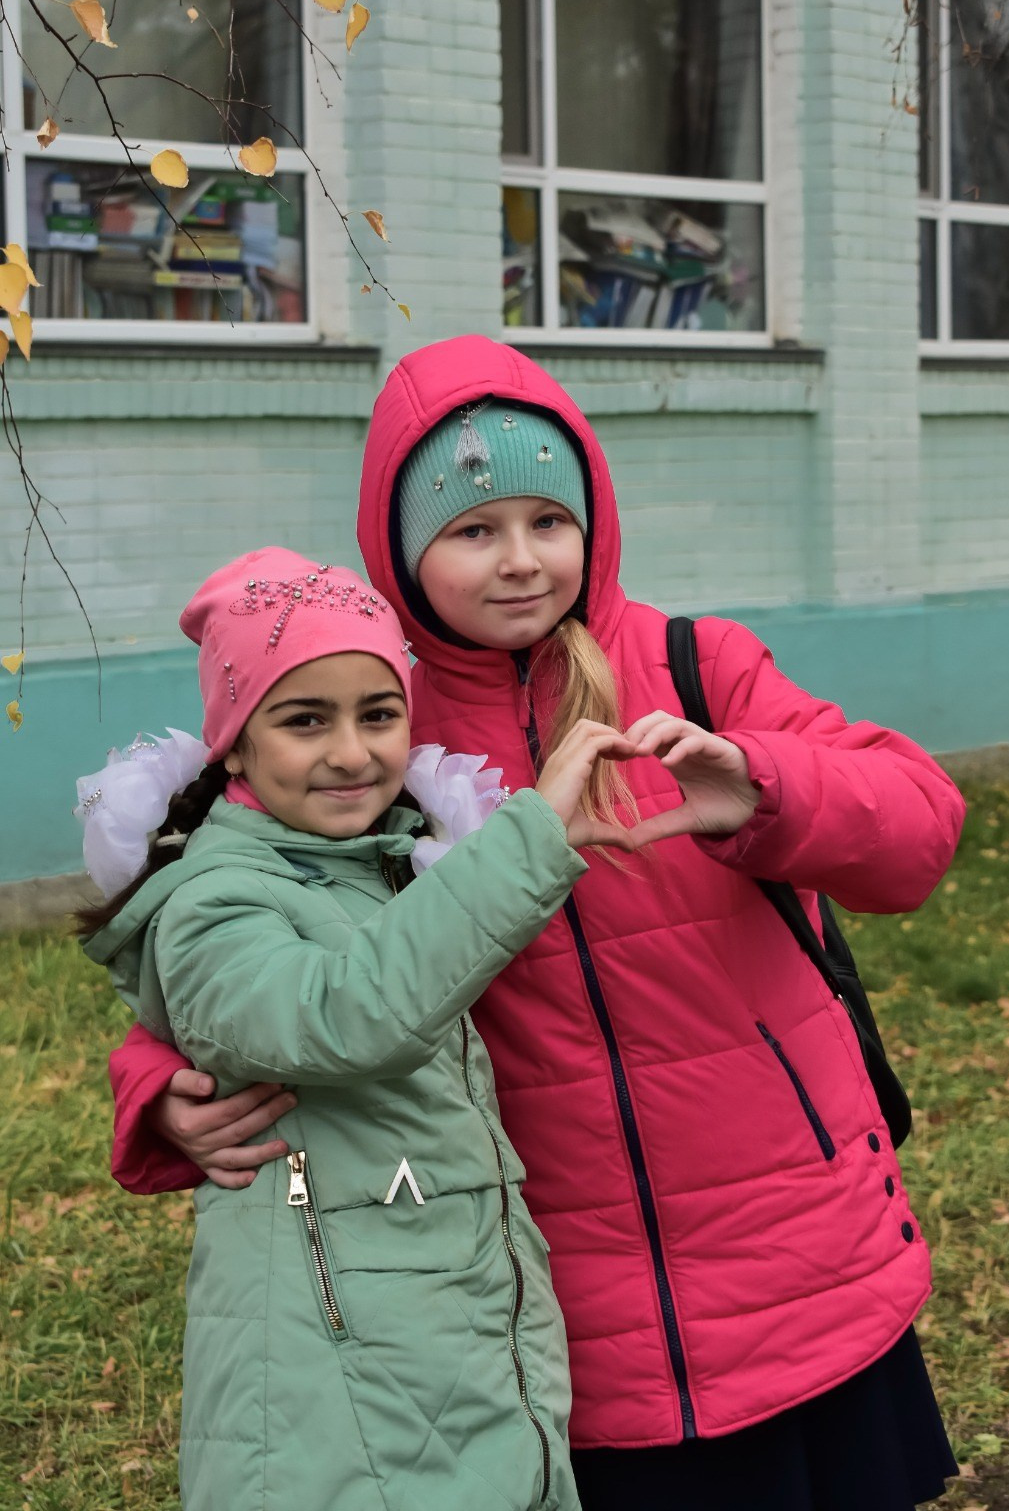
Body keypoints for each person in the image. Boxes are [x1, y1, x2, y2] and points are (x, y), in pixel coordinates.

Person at [108, 339, 966, 1510]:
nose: (519, 561)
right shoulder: (366, 720)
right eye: (472, 531)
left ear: (593, 522)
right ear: (403, 548)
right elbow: (251, 932)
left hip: (798, 1267)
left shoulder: (694, 664)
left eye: (546, 520)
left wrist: (766, 789)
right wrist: (157, 1082)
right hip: (563, 1315)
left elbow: (918, 832)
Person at [77, 544, 638, 1511]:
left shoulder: (378, 868)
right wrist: (529, 840)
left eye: (379, 715)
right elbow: (345, 1014)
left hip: (442, 1362)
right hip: (334, 1400)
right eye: (304, 720)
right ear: (236, 745)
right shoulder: (218, 897)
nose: (352, 751)